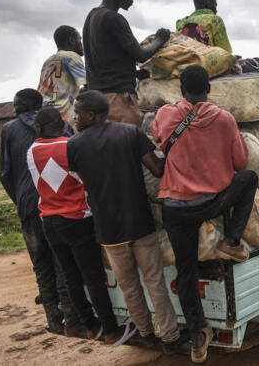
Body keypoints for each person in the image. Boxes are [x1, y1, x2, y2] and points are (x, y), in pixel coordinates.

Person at [151, 65, 257, 363]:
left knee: (186, 271)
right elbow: (240, 161)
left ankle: (198, 335)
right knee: (249, 179)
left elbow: (157, 136)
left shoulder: (166, 114)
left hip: (174, 207)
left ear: (181, 89)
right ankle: (232, 240)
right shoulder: (224, 119)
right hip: (210, 202)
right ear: (208, 89)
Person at [67, 90, 187, 352]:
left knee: (130, 286)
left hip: (108, 230)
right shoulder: (130, 133)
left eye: (77, 113)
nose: (74, 117)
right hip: (140, 222)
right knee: (155, 281)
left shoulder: (74, 145)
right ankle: (169, 337)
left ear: (90, 114)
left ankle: (146, 333)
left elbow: (82, 176)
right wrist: (179, 151)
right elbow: (156, 169)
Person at [27, 107, 132, 344]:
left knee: (71, 277)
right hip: (77, 219)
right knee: (93, 278)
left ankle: (90, 326)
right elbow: (87, 179)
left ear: (39, 128)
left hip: (49, 221)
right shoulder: (72, 145)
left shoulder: (31, 151)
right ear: (60, 123)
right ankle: (112, 331)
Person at [0, 89, 80, 335]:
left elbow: (5, 173)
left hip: (30, 209)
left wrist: (22, 201)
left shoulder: (10, 130)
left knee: (41, 264)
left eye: (16, 104)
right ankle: (72, 318)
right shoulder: (61, 126)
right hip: (60, 205)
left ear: (26, 106)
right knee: (63, 262)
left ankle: (53, 319)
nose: (13, 109)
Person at [83, 0, 171, 126]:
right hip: (118, 99)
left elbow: (108, 60)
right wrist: (160, 39)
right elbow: (141, 55)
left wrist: (136, 73)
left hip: (97, 98)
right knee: (124, 147)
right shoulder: (113, 18)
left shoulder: (93, 15)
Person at [37, 25, 86, 126]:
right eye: (79, 39)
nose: (81, 43)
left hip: (43, 116)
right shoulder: (71, 56)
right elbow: (89, 85)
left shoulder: (48, 61)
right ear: (71, 40)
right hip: (64, 118)